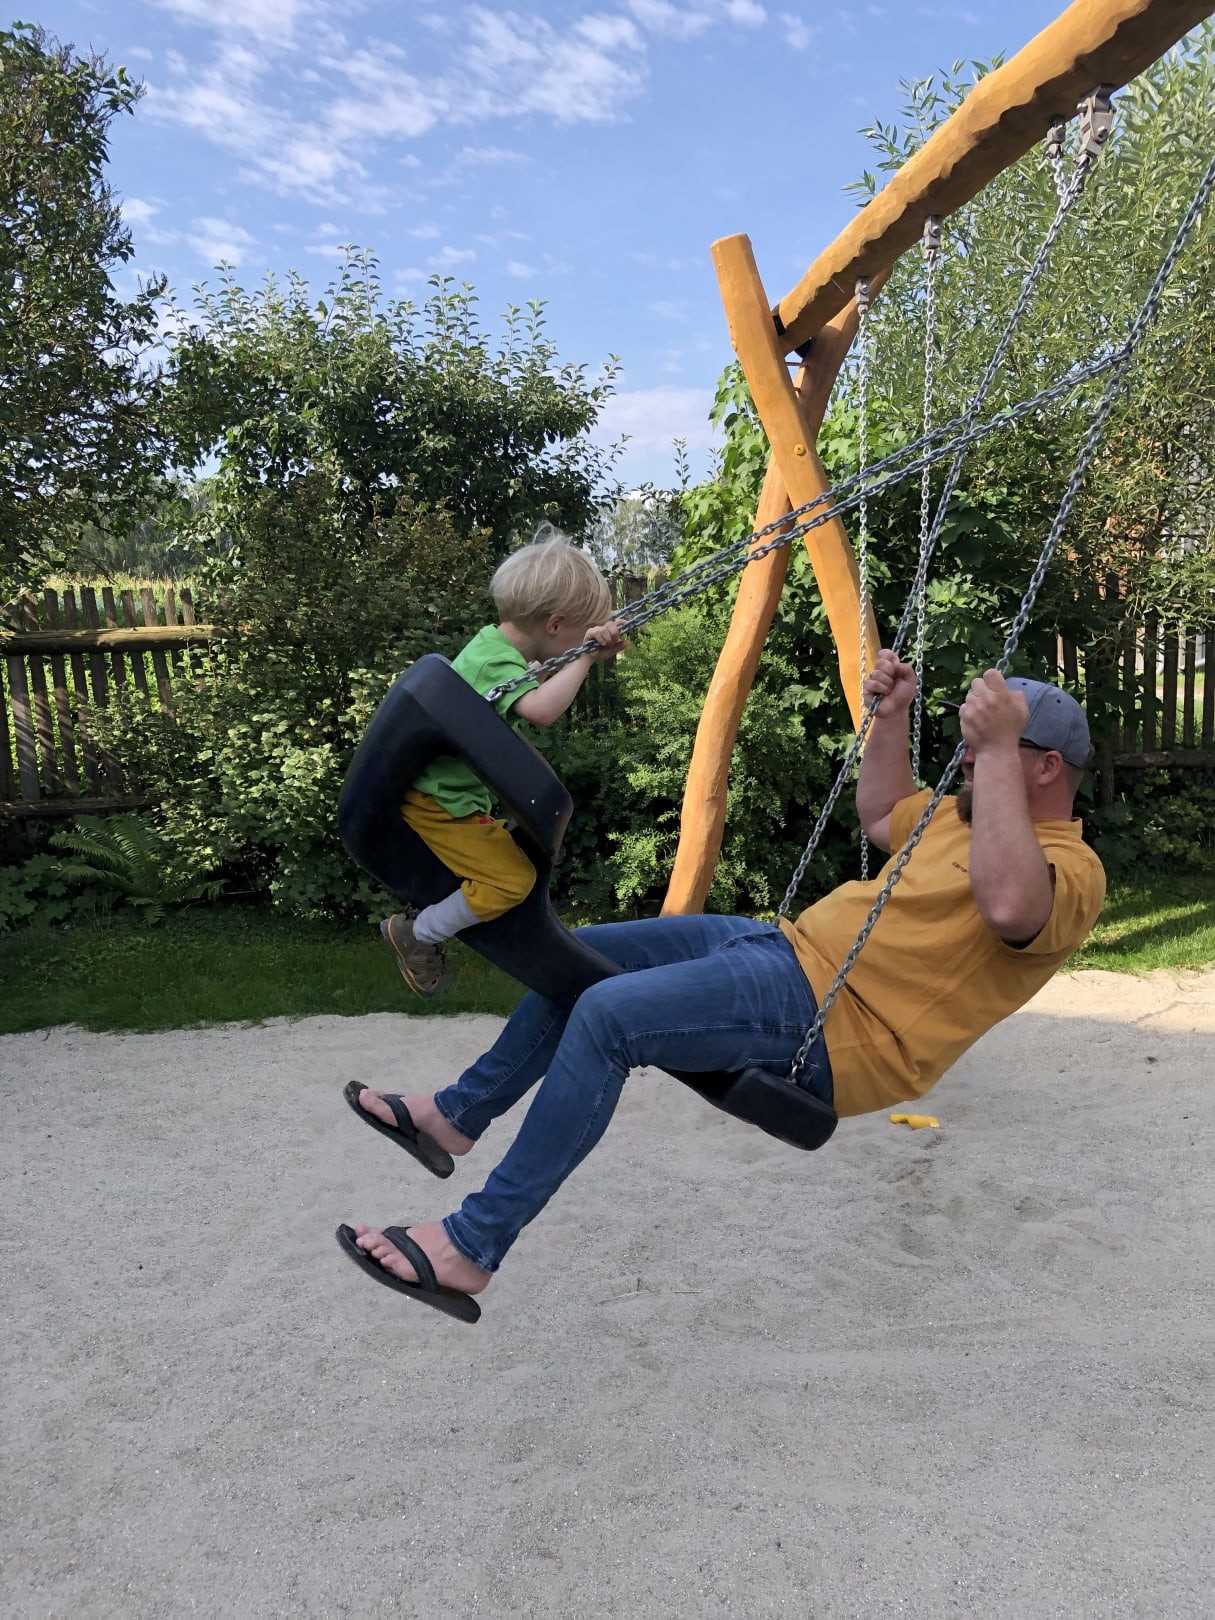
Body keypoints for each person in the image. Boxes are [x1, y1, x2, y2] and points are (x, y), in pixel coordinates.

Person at [338, 650, 1106, 1322]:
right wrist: (893, 716)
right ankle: (454, 1115)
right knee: (576, 958)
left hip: (838, 1024)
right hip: (780, 948)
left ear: (1045, 767)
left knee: (607, 1014)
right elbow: (880, 813)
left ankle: (471, 1246)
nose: (966, 759)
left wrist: (992, 753)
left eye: (990, 746)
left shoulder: (1070, 869)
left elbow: (1009, 907)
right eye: (970, 746)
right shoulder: (961, 817)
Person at [380, 525, 627, 996]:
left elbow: (534, 684)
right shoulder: (494, 662)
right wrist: (585, 661)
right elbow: (542, 711)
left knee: (514, 867)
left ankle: (430, 925)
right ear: (554, 625)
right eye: (578, 637)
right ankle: (418, 933)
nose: (580, 646)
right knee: (511, 880)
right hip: (439, 805)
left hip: (448, 799)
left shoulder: (493, 649)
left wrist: (575, 659)